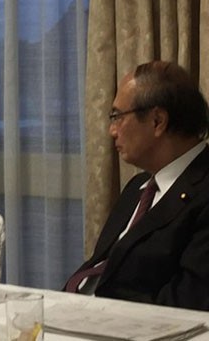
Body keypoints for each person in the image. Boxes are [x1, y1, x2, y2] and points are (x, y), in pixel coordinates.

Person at [63, 60, 209, 310]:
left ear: (157, 121)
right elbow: (100, 266)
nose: (112, 130)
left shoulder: (203, 191)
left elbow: (186, 305)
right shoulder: (138, 188)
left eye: (118, 116)